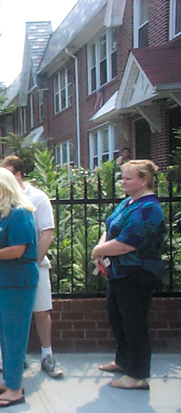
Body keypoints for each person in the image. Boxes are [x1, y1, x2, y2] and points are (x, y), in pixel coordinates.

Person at [92, 160, 165, 390]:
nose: (122, 182)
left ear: (144, 180)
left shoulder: (149, 208)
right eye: (122, 177)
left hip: (137, 274)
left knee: (135, 324)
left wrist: (98, 251)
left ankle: (138, 375)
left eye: (128, 178)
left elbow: (128, 243)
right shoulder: (127, 203)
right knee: (117, 318)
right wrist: (101, 248)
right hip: (119, 272)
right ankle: (123, 361)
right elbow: (110, 227)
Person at [0, 156, 63, 378]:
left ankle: (47, 354)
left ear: (18, 175)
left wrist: (32, 262)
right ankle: (18, 358)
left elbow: (47, 232)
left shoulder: (37, 198)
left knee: (41, 310)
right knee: (12, 314)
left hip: (33, 266)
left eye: (6, 175)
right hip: (7, 268)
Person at [0, 167, 38, 408]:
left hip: (18, 282)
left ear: (0, 189)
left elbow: (18, 250)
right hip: (5, 281)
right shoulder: (4, 214)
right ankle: (11, 381)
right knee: (5, 333)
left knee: (14, 335)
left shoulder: (20, 213)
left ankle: (15, 390)